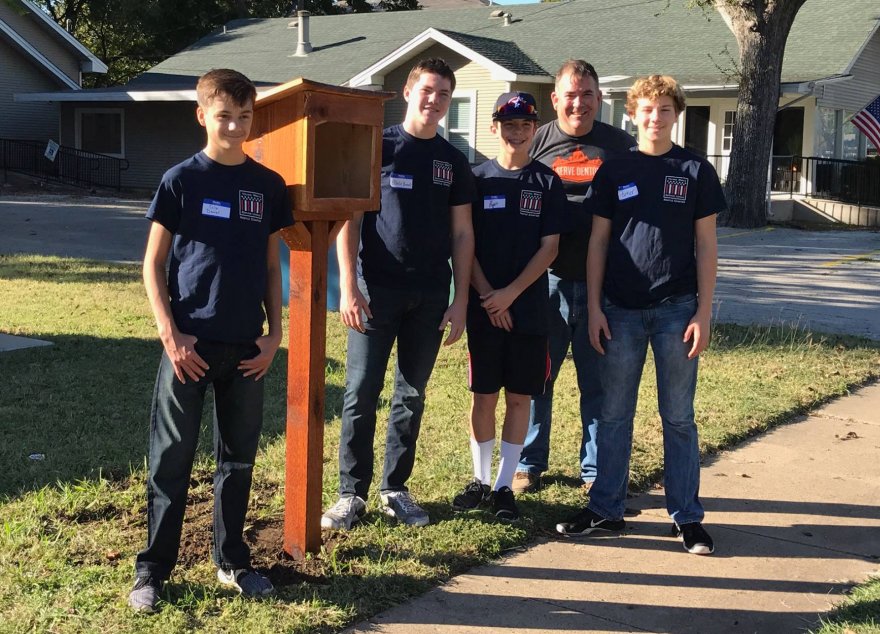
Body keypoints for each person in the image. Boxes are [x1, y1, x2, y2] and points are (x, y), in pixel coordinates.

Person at [128, 69, 295, 613]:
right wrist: (170, 335)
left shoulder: (266, 185)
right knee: (171, 461)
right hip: (189, 348)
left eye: (245, 116)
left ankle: (233, 562)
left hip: (246, 350)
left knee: (238, 460)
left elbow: (272, 267)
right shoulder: (181, 180)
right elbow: (152, 265)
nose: (235, 125)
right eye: (225, 115)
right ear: (202, 116)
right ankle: (152, 571)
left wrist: (274, 336)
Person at [555, 75, 723, 556]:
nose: (655, 117)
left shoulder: (694, 170)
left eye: (665, 109)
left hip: (677, 311)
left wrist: (704, 312)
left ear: (676, 114)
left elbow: (707, 246)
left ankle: (686, 517)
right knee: (612, 415)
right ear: (632, 114)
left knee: (678, 417)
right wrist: (592, 308)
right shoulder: (614, 170)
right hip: (619, 310)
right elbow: (598, 243)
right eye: (647, 109)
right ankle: (606, 508)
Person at [321, 58, 475, 530]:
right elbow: (349, 218)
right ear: (409, 92)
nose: (434, 101)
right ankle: (351, 494)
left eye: (444, 94)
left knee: (411, 394)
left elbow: (463, 234)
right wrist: (348, 284)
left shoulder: (453, 161)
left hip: (430, 294)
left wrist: (460, 298)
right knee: (360, 392)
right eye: (427, 90)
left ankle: (395, 488)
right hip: (375, 290)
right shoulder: (379, 148)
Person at [514, 60, 637, 494]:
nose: (579, 103)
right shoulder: (538, 141)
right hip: (543, 281)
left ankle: (595, 470)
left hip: (603, 287)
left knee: (598, 382)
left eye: (587, 94)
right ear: (555, 99)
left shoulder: (622, 147)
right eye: (570, 94)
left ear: (599, 98)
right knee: (537, 375)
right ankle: (529, 462)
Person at [451, 92, 566, 521]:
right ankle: (480, 481)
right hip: (484, 309)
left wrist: (510, 294)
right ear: (495, 126)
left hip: (529, 309)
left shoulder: (547, 181)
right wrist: (488, 296)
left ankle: (504, 487)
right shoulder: (476, 179)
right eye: (509, 124)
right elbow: (464, 243)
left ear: (534, 129)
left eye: (525, 125)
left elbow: (550, 249)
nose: (517, 133)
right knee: (484, 395)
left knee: (520, 399)